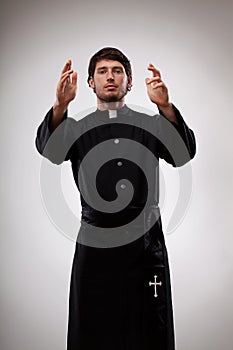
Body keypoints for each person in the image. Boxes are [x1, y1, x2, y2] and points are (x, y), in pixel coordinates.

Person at [35, 47, 196, 350]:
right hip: (96, 246)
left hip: (146, 245)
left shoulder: (151, 124)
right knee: (93, 324)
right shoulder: (78, 128)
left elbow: (183, 154)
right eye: (102, 71)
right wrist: (60, 105)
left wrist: (165, 106)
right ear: (91, 83)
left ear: (129, 81)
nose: (110, 77)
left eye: (117, 71)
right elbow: (50, 151)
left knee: (150, 322)